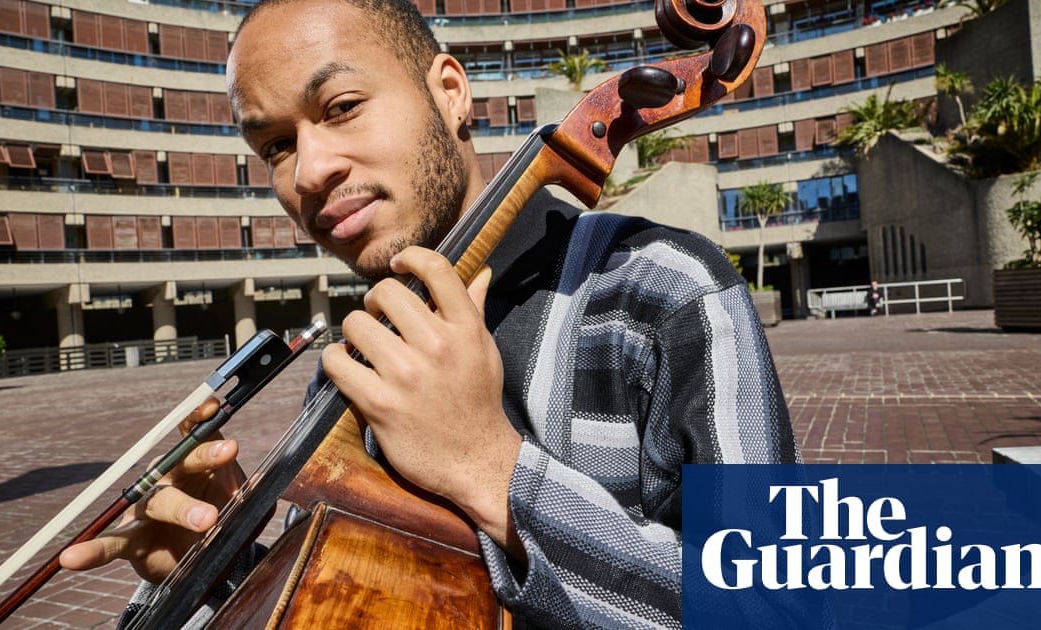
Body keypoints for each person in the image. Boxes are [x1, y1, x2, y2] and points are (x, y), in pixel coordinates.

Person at [59, 0, 800, 627]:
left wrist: (490, 467)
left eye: (341, 108)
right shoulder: (353, 372)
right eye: (277, 145)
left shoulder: (660, 294)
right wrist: (222, 563)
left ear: (449, 91)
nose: (310, 171)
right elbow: (367, 595)